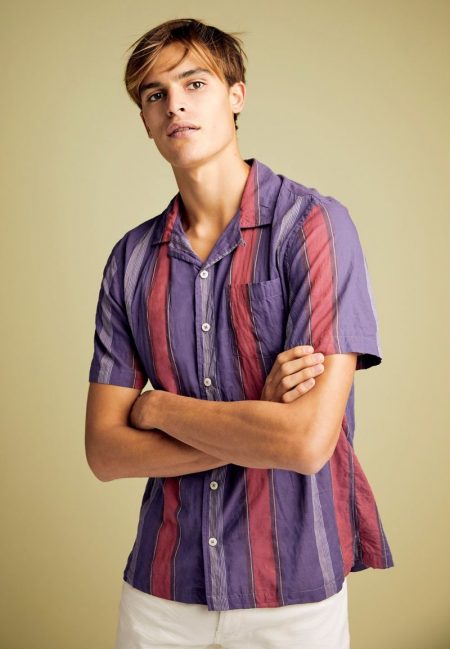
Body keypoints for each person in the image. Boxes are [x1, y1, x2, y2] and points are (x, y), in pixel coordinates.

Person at [85, 17, 394, 649]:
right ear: (145, 121)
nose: (175, 104)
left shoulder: (313, 227)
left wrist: (158, 409)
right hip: (161, 591)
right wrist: (258, 423)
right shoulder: (131, 261)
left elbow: (306, 442)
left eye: (194, 83)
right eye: (155, 94)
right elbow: (105, 452)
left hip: (293, 592)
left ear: (236, 95)